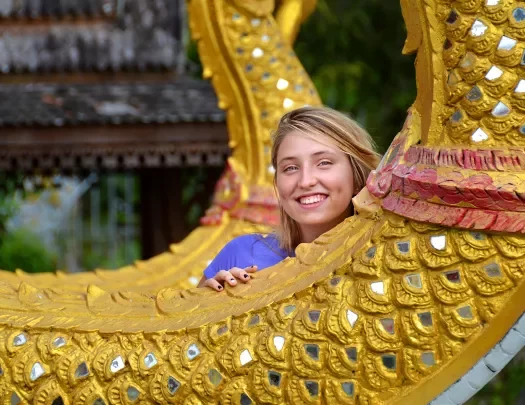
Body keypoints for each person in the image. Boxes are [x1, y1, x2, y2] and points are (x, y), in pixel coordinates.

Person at [198, 106, 381, 291]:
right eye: (291, 168)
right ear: (277, 182)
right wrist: (209, 303)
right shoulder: (242, 255)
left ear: (357, 177)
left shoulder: (386, 258)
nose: (305, 181)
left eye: (324, 163)